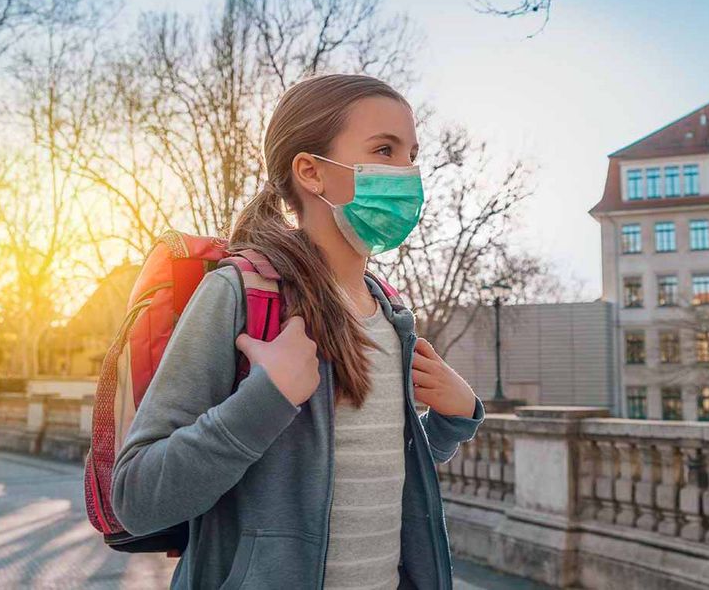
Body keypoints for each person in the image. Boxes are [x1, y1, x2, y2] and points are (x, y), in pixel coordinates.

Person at [110, 73, 486, 590]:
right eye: (384, 150)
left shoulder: (389, 312)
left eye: (411, 154)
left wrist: (454, 420)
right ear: (311, 171)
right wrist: (267, 399)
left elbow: (359, 470)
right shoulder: (239, 295)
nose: (409, 173)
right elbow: (137, 498)